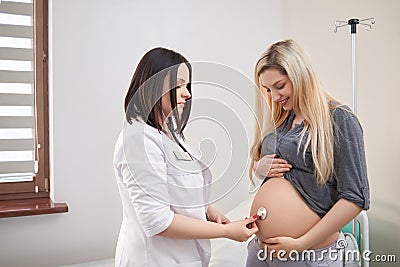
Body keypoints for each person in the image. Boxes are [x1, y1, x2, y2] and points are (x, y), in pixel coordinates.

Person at [113, 47, 258, 267]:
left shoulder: (170, 134)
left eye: (187, 85)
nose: (187, 93)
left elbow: (176, 189)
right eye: (178, 84)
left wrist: (208, 211)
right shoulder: (138, 140)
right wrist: (225, 231)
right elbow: (157, 220)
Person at [246, 39, 370, 266]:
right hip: (261, 252)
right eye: (268, 89)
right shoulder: (283, 120)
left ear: (300, 76)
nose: (274, 97)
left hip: (308, 254)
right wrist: (258, 167)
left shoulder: (340, 120)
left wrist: (300, 243)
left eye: (280, 86)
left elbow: (355, 198)